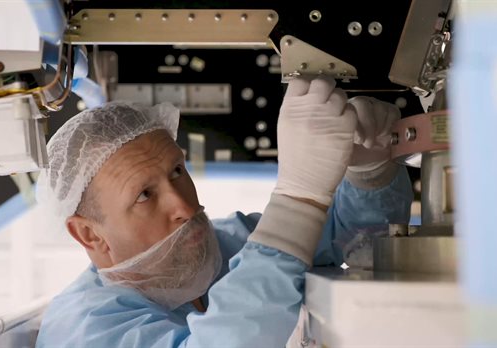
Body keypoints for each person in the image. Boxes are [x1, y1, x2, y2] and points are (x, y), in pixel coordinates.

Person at [35, 76, 413, 347]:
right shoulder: (83, 331)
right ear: (90, 234)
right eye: (145, 195)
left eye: (177, 171)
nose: (184, 206)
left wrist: (368, 171)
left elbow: (350, 239)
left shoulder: (221, 246)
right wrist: (297, 203)